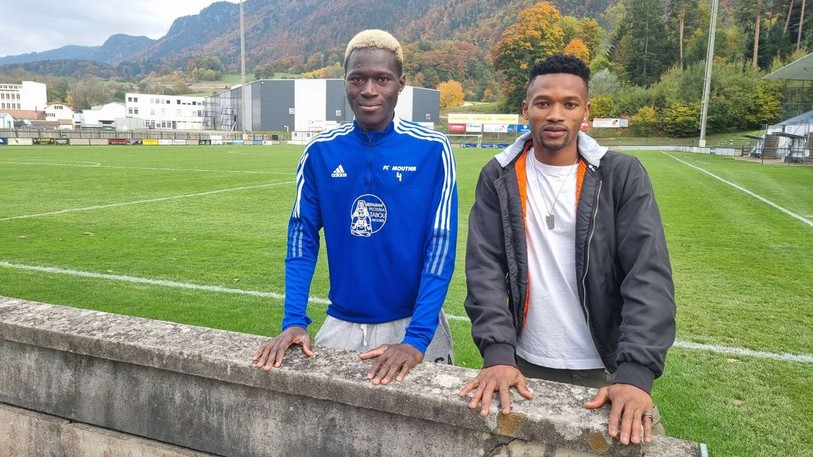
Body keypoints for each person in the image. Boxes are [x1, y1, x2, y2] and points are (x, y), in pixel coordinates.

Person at [458, 54, 675, 446]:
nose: (555, 114)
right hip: (522, 366)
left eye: (569, 104)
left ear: (585, 112)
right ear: (526, 109)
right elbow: (484, 269)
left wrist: (635, 374)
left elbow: (648, 275)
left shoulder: (621, 175)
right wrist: (498, 355)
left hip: (605, 369)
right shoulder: (499, 175)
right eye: (543, 103)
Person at [253, 29, 458, 385]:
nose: (368, 90)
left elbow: (440, 245)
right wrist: (294, 321)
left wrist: (416, 339)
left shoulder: (433, 148)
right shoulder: (320, 150)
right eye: (357, 79)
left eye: (382, 79)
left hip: (413, 326)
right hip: (341, 325)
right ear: (345, 83)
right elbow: (301, 237)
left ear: (401, 84)